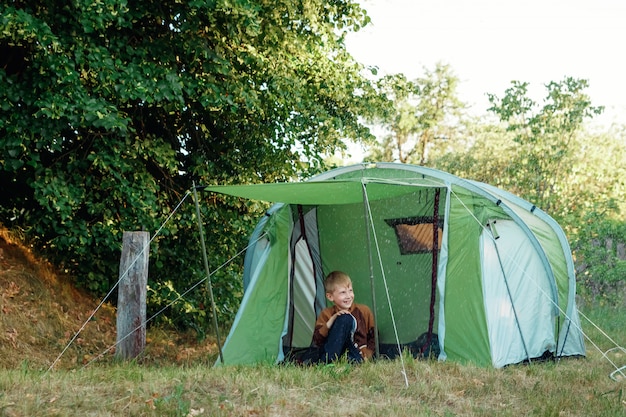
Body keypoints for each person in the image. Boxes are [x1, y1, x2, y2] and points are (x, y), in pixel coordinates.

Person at [312, 271, 376, 363]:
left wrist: (368, 354)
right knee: (344, 319)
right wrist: (330, 322)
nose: (348, 296)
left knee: (347, 319)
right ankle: (329, 362)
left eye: (350, 291)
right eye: (343, 292)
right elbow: (317, 340)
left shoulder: (363, 311)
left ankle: (351, 361)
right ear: (330, 296)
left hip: (356, 353)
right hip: (334, 352)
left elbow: (374, 336)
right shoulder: (326, 314)